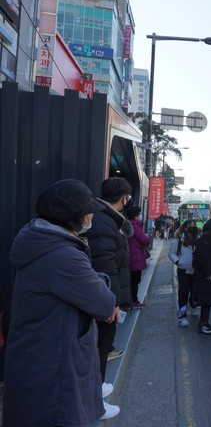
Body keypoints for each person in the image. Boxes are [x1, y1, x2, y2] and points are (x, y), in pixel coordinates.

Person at [3, 179, 118, 426]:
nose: (90, 218)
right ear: (71, 218)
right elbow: (105, 304)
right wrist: (101, 280)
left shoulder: (40, 240)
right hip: (54, 360)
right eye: (88, 213)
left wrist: (94, 279)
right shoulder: (64, 256)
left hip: (40, 352)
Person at [85, 177, 133, 418]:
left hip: (105, 297)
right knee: (100, 348)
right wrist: (112, 302)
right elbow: (106, 267)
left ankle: (98, 386)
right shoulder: (105, 222)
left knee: (100, 349)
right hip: (105, 301)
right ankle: (95, 403)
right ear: (123, 198)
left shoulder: (103, 219)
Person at [170, 223, 199, 327]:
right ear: (185, 227)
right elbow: (171, 253)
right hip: (183, 270)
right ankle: (182, 316)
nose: (193, 227)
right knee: (183, 292)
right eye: (190, 225)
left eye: (194, 225)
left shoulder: (199, 238)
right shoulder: (178, 240)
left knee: (195, 290)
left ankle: (194, 307)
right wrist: (178, 262)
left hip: (196, 270)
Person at [125, 204, 151, 309]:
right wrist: (147, 237)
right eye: (139, 214)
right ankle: (134, 301)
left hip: (130, 256)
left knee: (132, 280)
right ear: (136, 216)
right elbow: (144, 240)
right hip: (135, 257)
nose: (140, 216)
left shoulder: (127, 224)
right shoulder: (135, 225)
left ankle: (131, 300)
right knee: (135, 281)